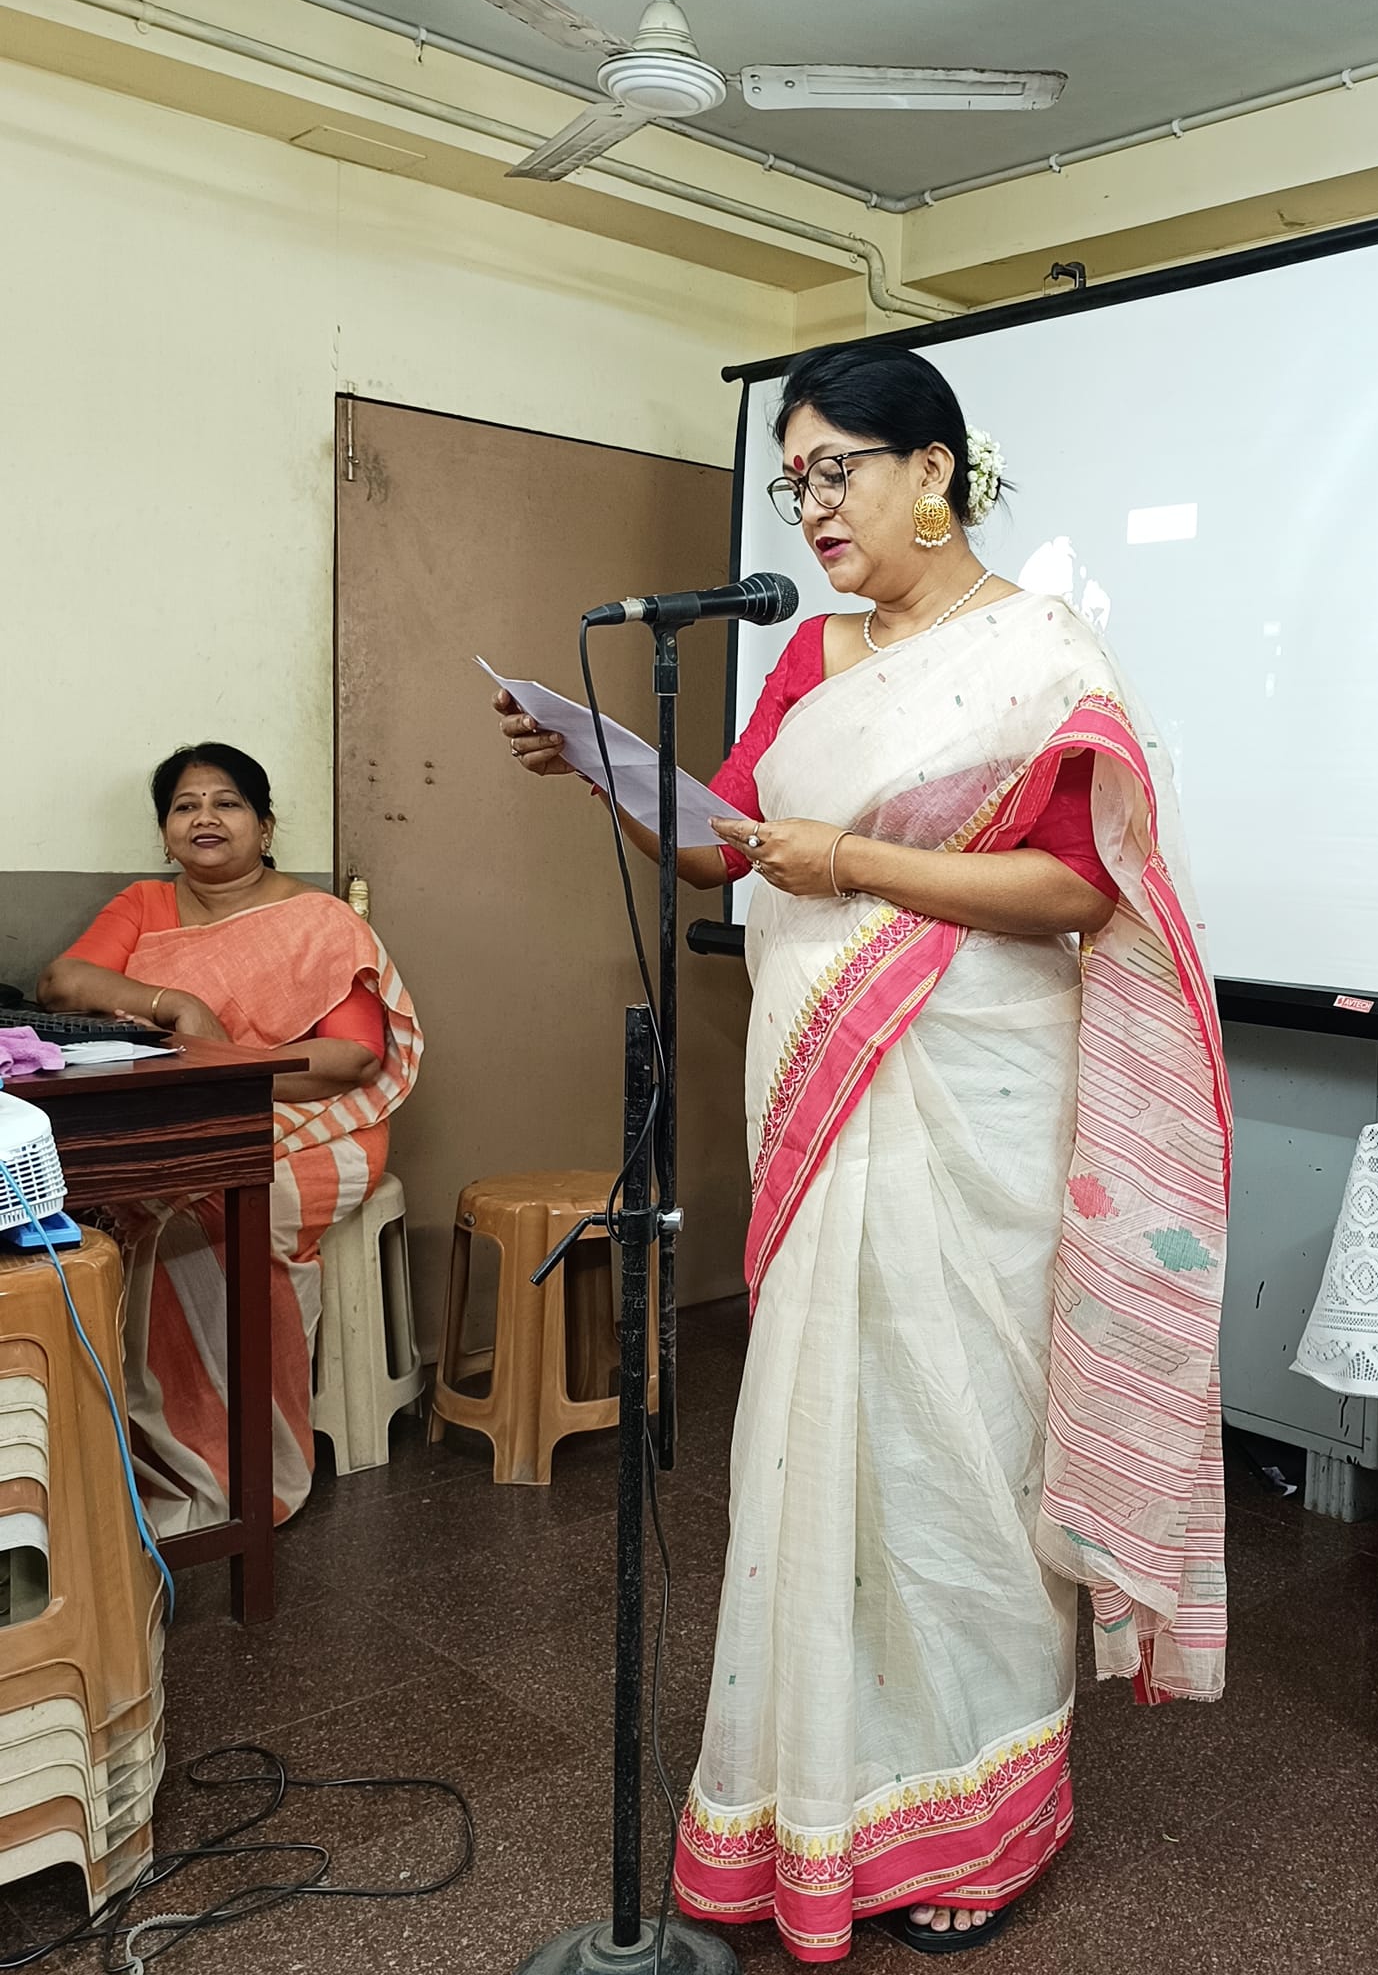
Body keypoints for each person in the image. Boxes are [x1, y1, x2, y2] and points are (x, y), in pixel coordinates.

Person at [494, 342, 1230, 1962]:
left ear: (933, 470)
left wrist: (854, 859)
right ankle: (811, 1810)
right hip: (826, 1106)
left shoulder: (1037, 654)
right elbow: (724, 837)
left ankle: (985, 1816)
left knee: (955, 1459)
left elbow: (1079, 889)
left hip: (974, 1107)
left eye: (835, 471)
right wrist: (612, 772)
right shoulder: (810, 658)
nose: (809, 506)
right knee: (818, 1453)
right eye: (792, 480)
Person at [39, 744, 421, 1533]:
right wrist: (173, 1002)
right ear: (165, 833)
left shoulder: (320, 920)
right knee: (98, 1209)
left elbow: (351, 1058)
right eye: (185, 806)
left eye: (227, 802)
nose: (205, 818)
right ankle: (131, 1452)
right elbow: (64, 982)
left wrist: (221, 1069)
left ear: (265, 823)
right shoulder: (146, 904)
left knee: (208, 1215)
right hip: (186, 1119)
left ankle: (239, 1467)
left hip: (318, 1131)